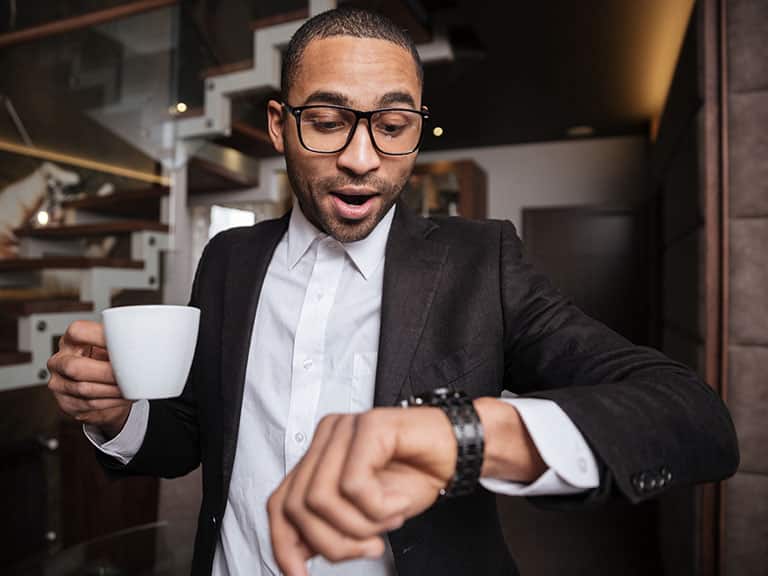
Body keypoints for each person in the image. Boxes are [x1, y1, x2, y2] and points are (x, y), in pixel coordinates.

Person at [46, 7, 739, 576]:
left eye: (392, 125)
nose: (360, 158)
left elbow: (694, 419)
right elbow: (193, 439)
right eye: (326, 121)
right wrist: (117, 416)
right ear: (279, 126)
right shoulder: (228, 258)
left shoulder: (482, 262)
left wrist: (465, 434)